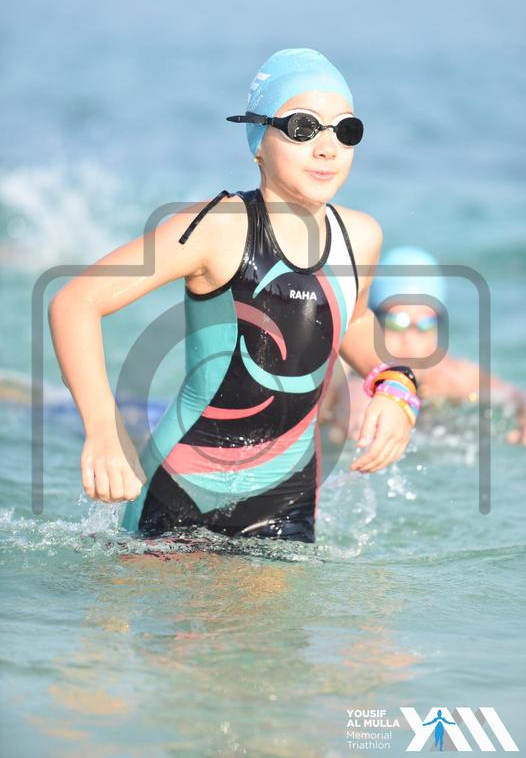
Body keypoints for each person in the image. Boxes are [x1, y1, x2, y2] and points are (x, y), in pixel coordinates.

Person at [48, 47, 421, 544]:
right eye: (303, 128)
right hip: (182, 491)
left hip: (287, 501)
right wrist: (103, 432)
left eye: (345, 130)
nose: (328, 148)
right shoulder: (217, 229)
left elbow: (351, 321)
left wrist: (395, 383)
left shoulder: (360, 237)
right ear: (258, 142)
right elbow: (75, 302)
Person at [319, 246, 526, 445]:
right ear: (370, 323)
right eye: (396, 323)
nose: (410, 338)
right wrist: (358, 416)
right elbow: (354, 400)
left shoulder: (448, 375)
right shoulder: (351, 381)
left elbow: (513, 396)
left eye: (426, 324)